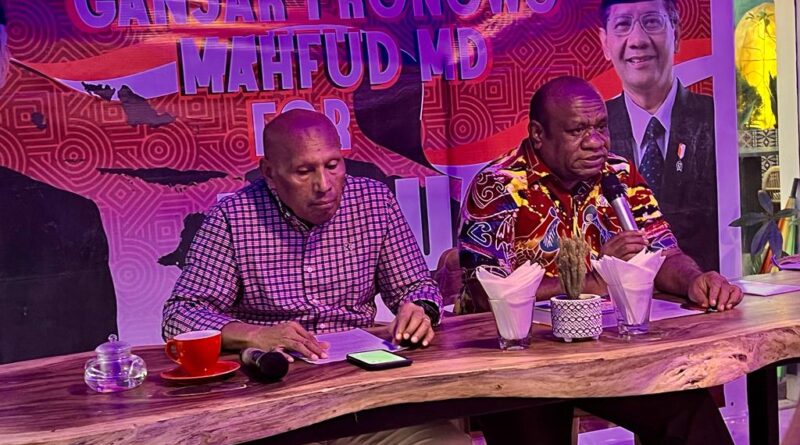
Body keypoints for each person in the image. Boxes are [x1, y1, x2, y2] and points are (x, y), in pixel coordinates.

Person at [457, 76, 740, 445]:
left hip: (606, 353)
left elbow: (661, 252)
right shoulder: (498, 185)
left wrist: (694, 281)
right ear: (538, 134)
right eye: (578, 130)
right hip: (520, 364)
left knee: (688, 410)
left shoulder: (618, 175)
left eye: (601, 127)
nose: (596, 142)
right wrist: (594, 277)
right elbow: (486, 295)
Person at [162, 109, 470, 445]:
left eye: (333, 165)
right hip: (271, 403)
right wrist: (255, 335)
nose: (323, 185)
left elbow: (415, 286)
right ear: (269, 172)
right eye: (303, 171)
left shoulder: (374, 202)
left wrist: (420, 309)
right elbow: (180, 316)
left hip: (362, 394)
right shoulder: (233, 218)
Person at [599, 0, 719, 273]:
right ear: (605, 43)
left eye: (651, 22)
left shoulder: (717, 119)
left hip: (708, 291)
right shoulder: (589, 135)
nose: (637, 40)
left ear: (676, 34)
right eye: (623, 25)